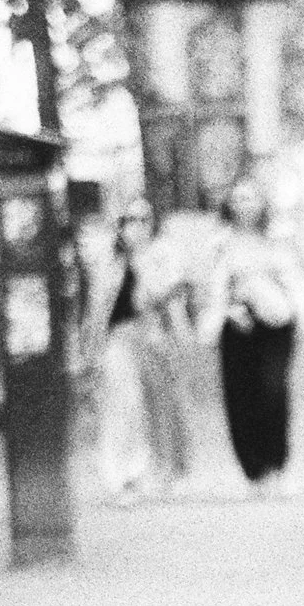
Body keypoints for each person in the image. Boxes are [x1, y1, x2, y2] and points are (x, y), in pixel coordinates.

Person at [92, 202, 194, 497]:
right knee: (125, 405)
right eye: (130, 220)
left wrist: (184, 340)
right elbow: (97, 309)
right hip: (119, 339)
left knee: (164, 405)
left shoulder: (163, 255)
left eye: (143, 220)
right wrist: (92, 348)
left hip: (154, 335)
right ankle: (125, 475)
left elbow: (172, 301)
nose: (137, 226)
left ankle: (170, 470)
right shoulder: (110, 262)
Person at [211, 178, 301, 487]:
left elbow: (294, 282)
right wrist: (227, 311)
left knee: (273, 390)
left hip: (276, 323)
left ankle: (276, 462)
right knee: (241, 396)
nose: (244, 205)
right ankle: (253, 468)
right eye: (238, 199)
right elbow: (213, 289)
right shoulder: (221, 243)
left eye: (250, 198)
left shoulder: (277, 239)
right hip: (237, 325)